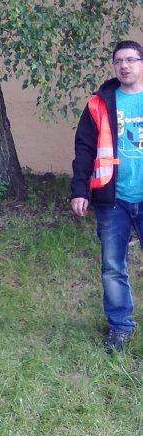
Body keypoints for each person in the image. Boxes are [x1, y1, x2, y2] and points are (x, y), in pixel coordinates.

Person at [71, 40, 143, 353]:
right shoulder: (99, 103)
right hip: (112, 199)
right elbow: (84, 148)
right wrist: (79, 190)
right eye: (118, 61)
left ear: (141, 63)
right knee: (113, 267)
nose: (124, 66)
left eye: (131, 60)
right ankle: (120, 326)